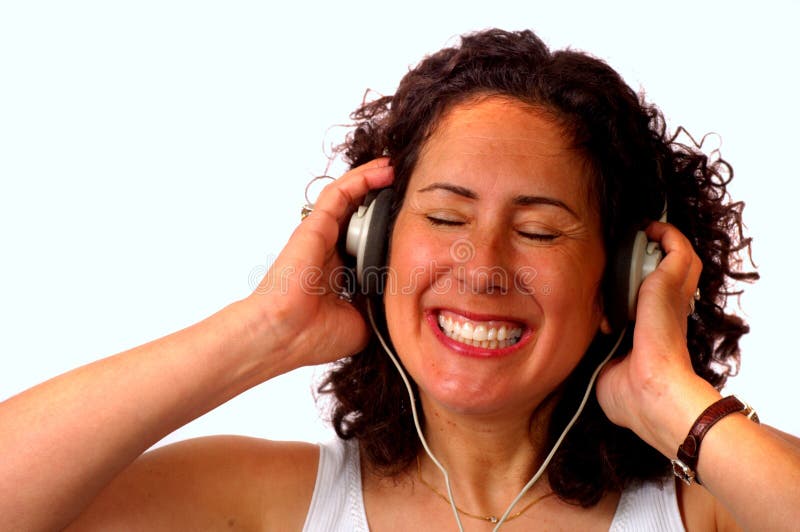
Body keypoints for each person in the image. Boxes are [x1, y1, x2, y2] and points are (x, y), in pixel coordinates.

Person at [1, 28, 798, 531]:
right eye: (446, 219)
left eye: (538, 231)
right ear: (373, 240)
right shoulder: (266, 500)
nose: (482, 269)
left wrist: (674, 402)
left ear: (620, 283)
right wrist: (263, 330)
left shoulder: (708, 508)